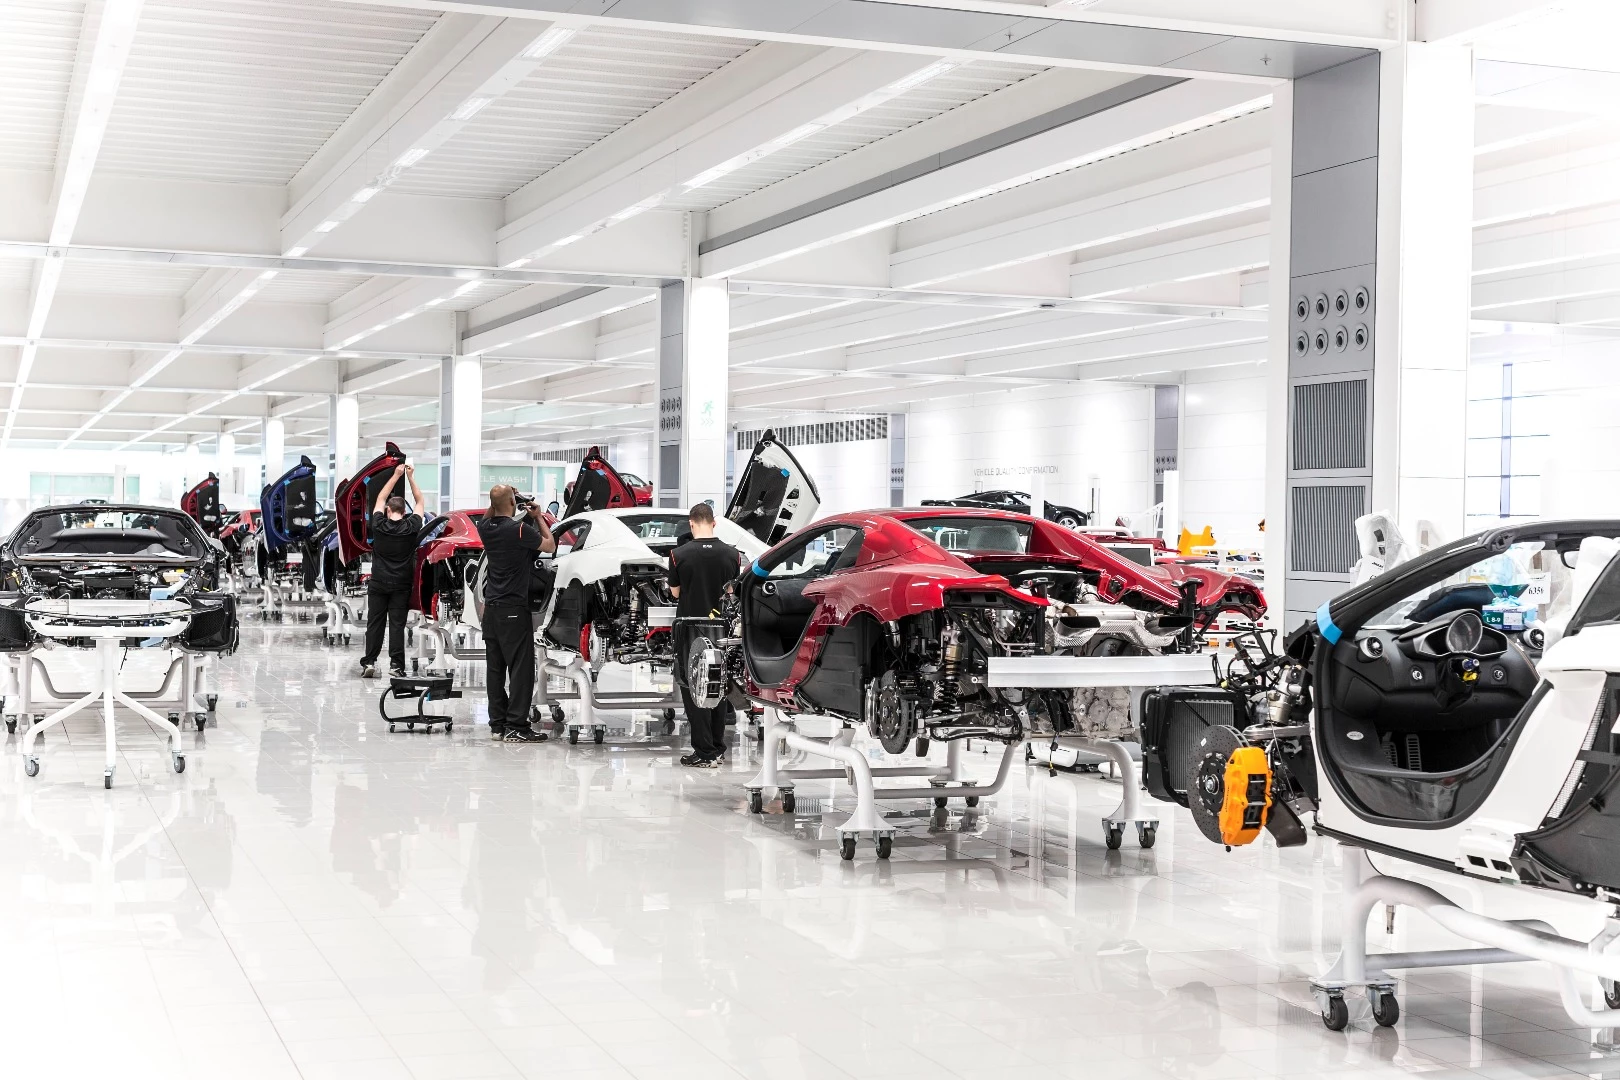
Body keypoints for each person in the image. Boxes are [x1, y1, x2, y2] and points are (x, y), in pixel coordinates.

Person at [476, 485, 555, 742]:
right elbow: (550, 545)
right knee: (520, 671)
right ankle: (516, 726)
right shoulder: (519, 529)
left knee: (495, 670)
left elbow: (493, 510)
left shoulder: (485, 528)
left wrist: (506, 498)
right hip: (513, 611)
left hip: (492, 611)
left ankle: (497, 725)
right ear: (512, 502)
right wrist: (538, 516)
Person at [668, 503, 741, 767]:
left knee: (693, 684)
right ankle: (718, 748)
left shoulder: (678, 555)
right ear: (714, 523)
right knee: (718, 683)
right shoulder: (733, 555)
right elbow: (732, 592)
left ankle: (704, 751)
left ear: (691, 523)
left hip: (690, 628)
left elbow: (675, 593)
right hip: (721, 628)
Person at [359, 463, 423, 679]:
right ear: (405, 512)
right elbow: (420, 501)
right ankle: (396, 666)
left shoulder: (378, 525)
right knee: (397, 625)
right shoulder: (412, 525)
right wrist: (410, 477)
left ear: (388, 510)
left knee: (374, 623)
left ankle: (369, 662)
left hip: (378, 583)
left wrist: (396, 476)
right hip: (401, 586)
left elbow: (379, 497)